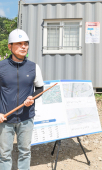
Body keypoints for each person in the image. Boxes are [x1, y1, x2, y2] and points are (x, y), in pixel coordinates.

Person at [0, 29, 44, 170]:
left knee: (25, 152)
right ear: (9, 46)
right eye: (19, 43)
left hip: (26, 118)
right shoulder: (1, 67)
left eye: (26, 43)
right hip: (5, 119)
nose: (24, 46)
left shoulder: (33, 67)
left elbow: (40, 88)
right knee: (4, 154)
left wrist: (33, 97)